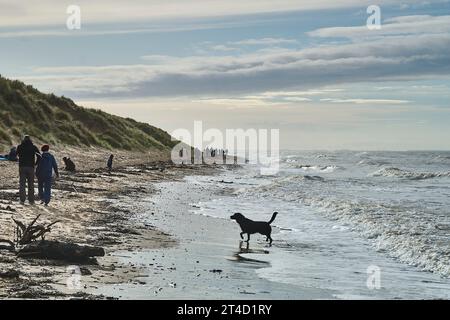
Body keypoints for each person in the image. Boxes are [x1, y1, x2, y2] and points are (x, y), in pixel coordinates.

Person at [16, 135, 40, 205]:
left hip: (22, 167)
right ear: (30, 140)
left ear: (23, 140)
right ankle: (31, 201)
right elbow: (39, 156)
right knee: (31, 184)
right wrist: (36, 164)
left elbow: (16, 154)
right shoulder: (33, 147)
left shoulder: (20, 146)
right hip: (31, 167)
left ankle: (22, 200)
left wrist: (20, 157)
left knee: (22, 184)